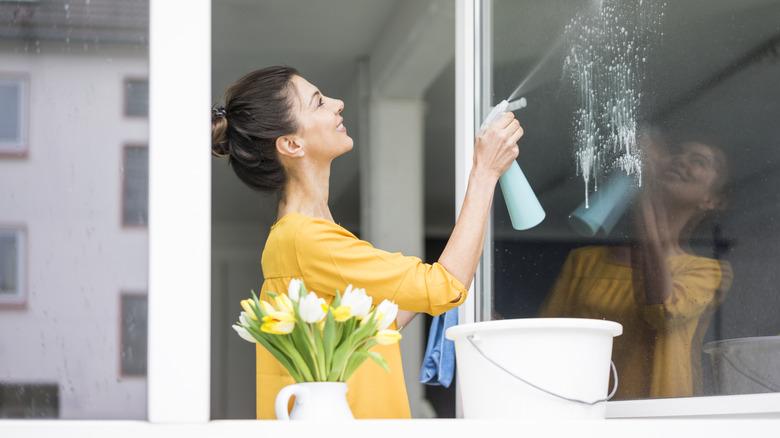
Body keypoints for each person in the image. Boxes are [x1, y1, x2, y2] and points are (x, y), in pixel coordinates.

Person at [211, 66, 524, 418]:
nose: (338, 103)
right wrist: (484, 172)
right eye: (318, 103)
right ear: (291, 144)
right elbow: (444, 285)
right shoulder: (307, 240)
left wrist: (451, 266)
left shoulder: (300, 239)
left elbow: (386, 318)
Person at [541, 134, 733, 399]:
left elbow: (662, 309)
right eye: (677, 153)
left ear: (712, 200)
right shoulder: (584, 261)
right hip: (586, 413)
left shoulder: (708, 272)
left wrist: (644, 193)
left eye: (698, 161)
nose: (680, 160)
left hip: (663, 420)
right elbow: (545, 340)